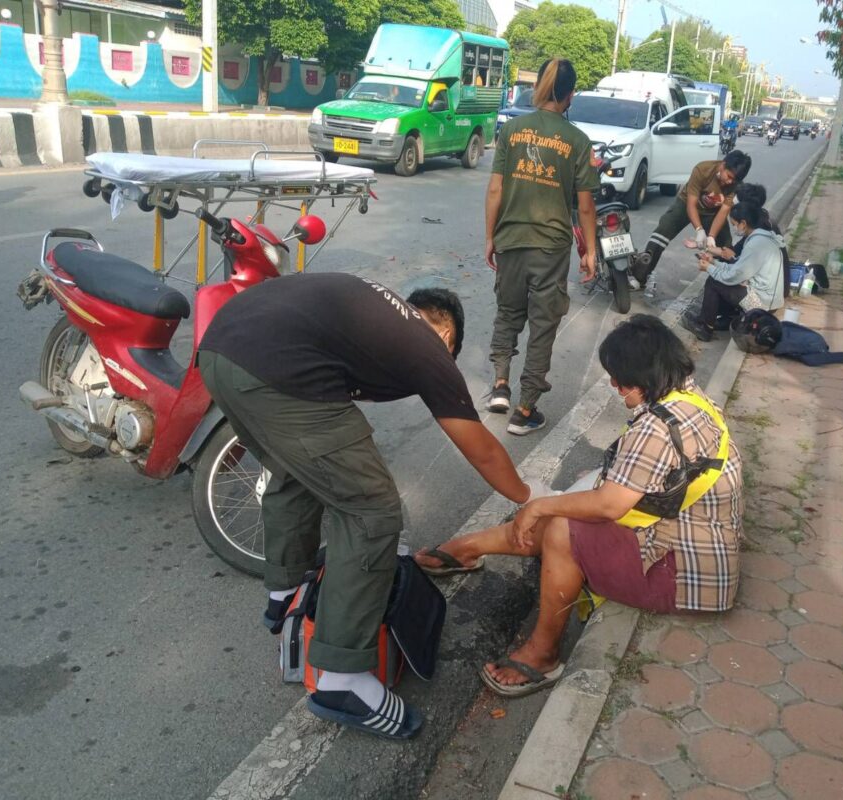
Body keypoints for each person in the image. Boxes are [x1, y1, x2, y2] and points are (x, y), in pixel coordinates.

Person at [198, 272, 548, 740]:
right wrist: (530, 496)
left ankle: (285, 598)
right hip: (277, 370)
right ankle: (341, 679)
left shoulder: (380, 316)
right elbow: (479, 446)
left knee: (293, 472)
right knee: (371, 510)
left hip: (221, 350)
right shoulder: (427, 344)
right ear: (447, 333)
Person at [416, 315, 743, 696]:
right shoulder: (689, 399)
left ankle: (543, 655)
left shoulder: (656, 427)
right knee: (565, 509)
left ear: (643, 376)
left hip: (684, 577)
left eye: (619, 379)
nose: (615, 386)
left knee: (561, 527)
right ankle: (467, 548)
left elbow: (608, 505)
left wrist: (539, 508)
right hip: (695, 549)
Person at [484, 57, 599, 435]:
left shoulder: (512, 129)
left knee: (507, 313)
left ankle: (500, 386)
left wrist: (490, 237)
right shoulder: (577, 141)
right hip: (550, 247)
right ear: (570, 95)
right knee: (543, 325)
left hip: (510, 240)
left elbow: (496, 189)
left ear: (538, 88)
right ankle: (525, 409)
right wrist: (590, 251)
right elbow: (585, 205)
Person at [630, 151, 752, 289]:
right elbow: (691, 204)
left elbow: (723, 212)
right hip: (686, 204)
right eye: (729, 176)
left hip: (713, 212)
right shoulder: (703, 169)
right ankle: (640, 277)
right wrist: (699, 230)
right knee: (662, 232)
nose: (730, 182)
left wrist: (711, 236)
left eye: (734, 180)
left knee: (725, 245)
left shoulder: (735, 185)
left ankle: (726, 284)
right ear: (723, 165)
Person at [681, 199, 786, 342]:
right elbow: (738, 267)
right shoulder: (763, 238)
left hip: (762, 305)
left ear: (743, 223)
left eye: (734, 225)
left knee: (714, 282)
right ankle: (724, 319)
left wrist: (709, 268)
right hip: (769, 300)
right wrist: (714, 262)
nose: (735, 228)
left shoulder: (755, 244)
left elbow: (733, 276)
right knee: (723, 279)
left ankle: (705, 328)